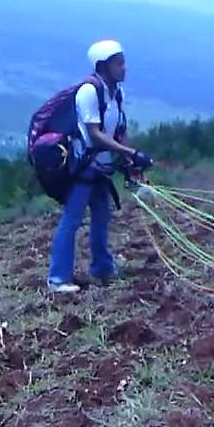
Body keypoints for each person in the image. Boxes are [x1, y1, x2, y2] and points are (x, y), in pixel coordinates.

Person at [47, 39, 148, 293]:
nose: (124, 68)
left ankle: (102, 268)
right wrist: (129, 152)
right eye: (119, 63)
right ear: (103, 66)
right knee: (72, 219)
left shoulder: (116, 94)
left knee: (102, 218)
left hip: (103, 168)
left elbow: (119, 129)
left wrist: (130, 159)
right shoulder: (89, 92)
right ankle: (58, 278)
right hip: (85, 167)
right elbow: (95, 134)